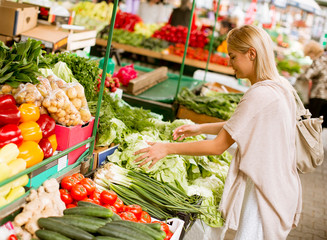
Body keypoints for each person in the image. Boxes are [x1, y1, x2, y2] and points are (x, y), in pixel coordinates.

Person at [134, 25, 302, 239]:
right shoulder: (280, 86)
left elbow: (217, 146)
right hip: (279, 183)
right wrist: (200, 128)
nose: (230, 64)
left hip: (265, 190)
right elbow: (241, 124)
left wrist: (167, 148)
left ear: (251, 53)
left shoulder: (259, 94)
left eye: (232, 57)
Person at [297, 40, 327, 128]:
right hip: (325, 96)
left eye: (309, 55)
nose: (309, 58)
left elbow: (307, 76)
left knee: (311, 123)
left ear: (312, 52)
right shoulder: (324, 58)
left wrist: (302, 73)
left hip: (318, 95)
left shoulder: (319, 60)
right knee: (319, 124)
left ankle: (309, 141)